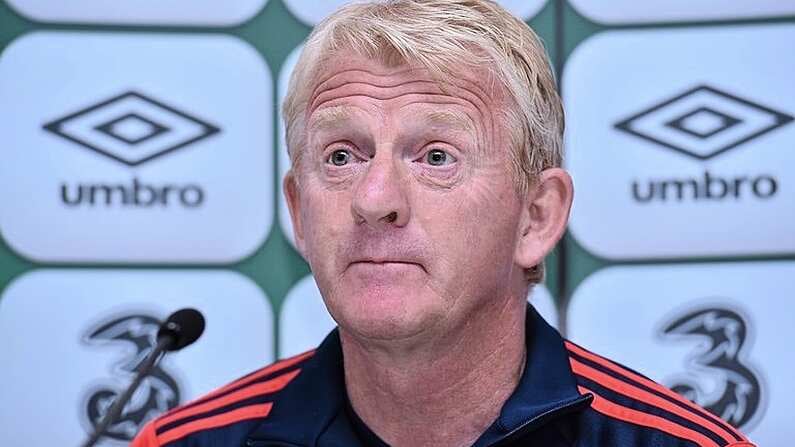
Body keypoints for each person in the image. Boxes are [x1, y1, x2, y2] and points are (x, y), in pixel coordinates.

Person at [132, 1, 756, 446]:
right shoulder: (182, 441)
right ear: (298, 210)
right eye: (341, 156)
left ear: (535, 218)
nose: (374, 199)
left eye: (436, 157)